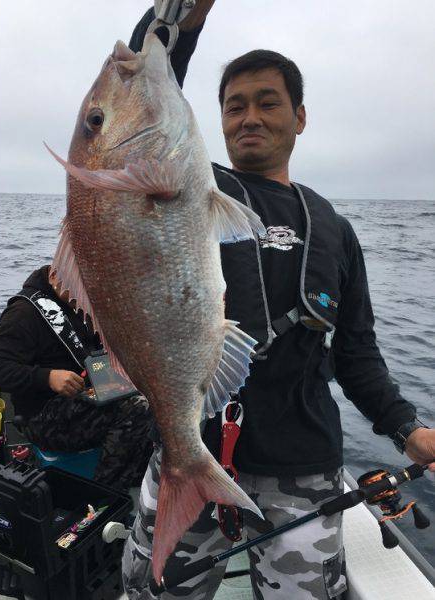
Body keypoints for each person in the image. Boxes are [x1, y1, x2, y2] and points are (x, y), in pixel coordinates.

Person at [122, 4, 435, 599]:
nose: (249, 117)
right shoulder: (189, 187)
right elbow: (142, 97)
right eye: (234, 106)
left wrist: (406, 429)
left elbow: (357, 353)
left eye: (268, 102)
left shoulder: (335, 230)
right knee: (152, 592)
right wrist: (178, 20)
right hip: (191, 447)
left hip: (302, 464)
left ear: (300, 117)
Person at [0, 265, 153, 491]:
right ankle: (105, 496)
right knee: (137, 408)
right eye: (77, 288)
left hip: (85, 397)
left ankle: (139, 484)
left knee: (154, 394)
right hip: (41, 415)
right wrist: (48, 377)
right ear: (54, 276)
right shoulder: (24, 314)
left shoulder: (77, 304)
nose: (82, 296)